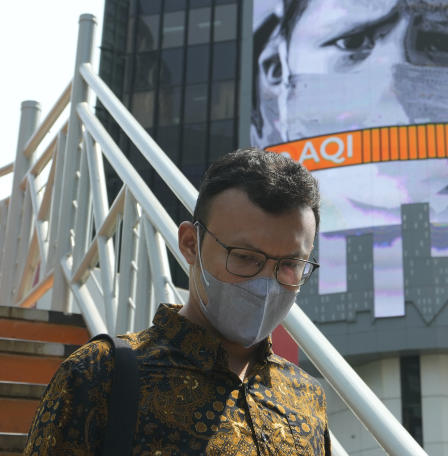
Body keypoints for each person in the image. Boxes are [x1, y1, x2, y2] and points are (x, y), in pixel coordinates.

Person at [23, 148, 331, 455]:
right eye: (245, 257)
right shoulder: (97, 375)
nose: (266, 284)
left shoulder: (306, 397)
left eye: (290, 265)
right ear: (190, 244)